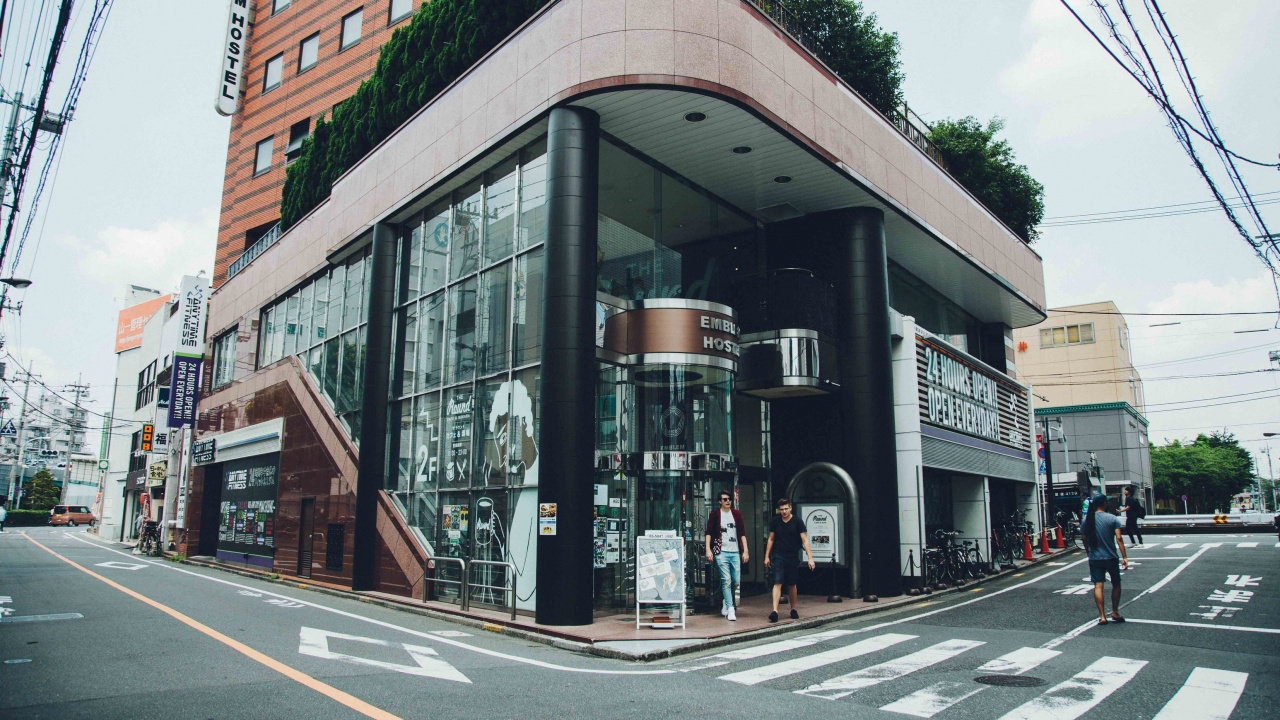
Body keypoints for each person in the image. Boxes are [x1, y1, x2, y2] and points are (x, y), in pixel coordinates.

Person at [764, 497, 815, 623]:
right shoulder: (775, 521)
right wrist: (766, 556)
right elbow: (771, 539)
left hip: (792, 555)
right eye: (781, 509)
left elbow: (805, 540)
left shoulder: (797, 522)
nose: (784, 512)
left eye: (786, 509)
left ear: (790, 508)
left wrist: (810, 558)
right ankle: (775, 611)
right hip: (778, 555)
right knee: (778, 581)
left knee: (792, 583)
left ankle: (793, 608)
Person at [1082, 493, 1128, 625]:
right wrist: (1124, 557)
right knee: (1116, 583)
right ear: (1104, 503)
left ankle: (1102, 616)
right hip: (1110, 556)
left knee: (1098, 585)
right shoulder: (1112, 519)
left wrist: (1088, 551)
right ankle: (1115, 611)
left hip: (1095, 557)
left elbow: (1084, 538)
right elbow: (1119, 538)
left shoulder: (1088, 519)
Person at [705, 490, 749, 621]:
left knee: (735, 581)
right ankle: (730, 608)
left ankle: (726, 601)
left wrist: (745, 550)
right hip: (721, 552)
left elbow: (742, 533)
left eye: (729, 499)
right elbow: (708, 532)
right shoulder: (715, 514)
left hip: (735, 551)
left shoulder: (736, 514)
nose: (728, 501)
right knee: (726, 580)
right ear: (720, 501)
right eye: (725, 499)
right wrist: (708, 549)